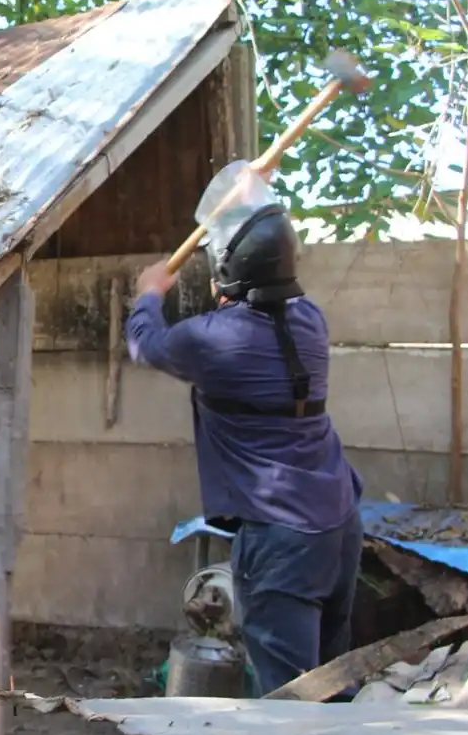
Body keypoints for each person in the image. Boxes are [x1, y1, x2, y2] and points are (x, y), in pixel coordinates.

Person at [125, 200, 363, 697]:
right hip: (338, 521)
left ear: (227, 274)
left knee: (291, 699)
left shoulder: (213, 341)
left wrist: (149, 293)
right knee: (331, 680)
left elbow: (145, 343)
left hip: (282, 534)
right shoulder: (310, 321)